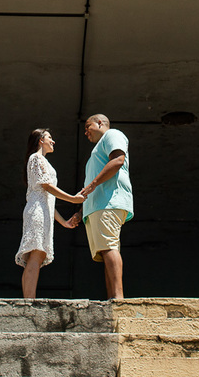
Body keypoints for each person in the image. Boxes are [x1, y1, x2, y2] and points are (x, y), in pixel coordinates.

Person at [15, 128, 85, 299]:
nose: (53, 141)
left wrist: (64, 222)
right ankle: (29, 300)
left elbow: (48, 199)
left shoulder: (42, 161)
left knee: (37, 256)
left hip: (43, 211)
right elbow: (46, 186)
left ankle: (28, 299)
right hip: (37, 212)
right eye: (49, 138)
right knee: (36, 253)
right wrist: (72, 199)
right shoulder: (36, 158)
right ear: (40, 140)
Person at [70, 114, 132, 300]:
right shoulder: (97, 151)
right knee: (106, 251)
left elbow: (117, 160)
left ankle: (118, 299)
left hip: (108, 202)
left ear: (99, 123)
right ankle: (112, 299)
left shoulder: (112, 134)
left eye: (88, 126)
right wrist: (81, 213)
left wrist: (92, 185)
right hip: (97, 206)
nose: (86, 131)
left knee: (110, 248)